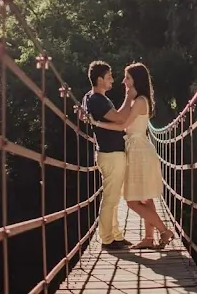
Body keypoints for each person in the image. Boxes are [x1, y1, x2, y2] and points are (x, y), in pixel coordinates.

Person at [92, 62, 174, 249]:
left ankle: (163, 230)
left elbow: (122, 126)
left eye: (127, 78)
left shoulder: (139, 101)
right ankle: (148, 238)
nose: (124, 81)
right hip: (139, 149)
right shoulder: (140, 100)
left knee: (132, 201)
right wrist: (128, 99)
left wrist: (97, 124)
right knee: (145, 198)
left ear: (136, 79)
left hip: (139, 152)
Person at [82, 60, 133, 250]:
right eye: (109, 76)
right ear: (100, 79)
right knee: (111, 199)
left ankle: (115, 235)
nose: (113, 79)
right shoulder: (97, 99)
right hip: (111, 154)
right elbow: (120, 118)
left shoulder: (93, 97)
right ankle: (107, 239)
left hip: (111, 153)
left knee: (113, 198)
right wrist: (129, 97)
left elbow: (86, 100)